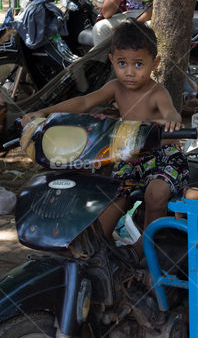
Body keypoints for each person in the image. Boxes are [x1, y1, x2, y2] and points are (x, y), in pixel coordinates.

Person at [22, 21, 185, 252]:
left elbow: (169, 110)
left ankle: (145, 248)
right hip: (129, 156)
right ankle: (103, 250)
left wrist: (172, 119)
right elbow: (85, 102)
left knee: (155, 194)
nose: (129, 71)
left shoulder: (156, 92)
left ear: (155, 63)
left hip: (162, 157)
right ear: (111, 60)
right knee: (110, 198)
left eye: (138, 64)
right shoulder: (115, 87)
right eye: (122, 63)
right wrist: (45, 112)